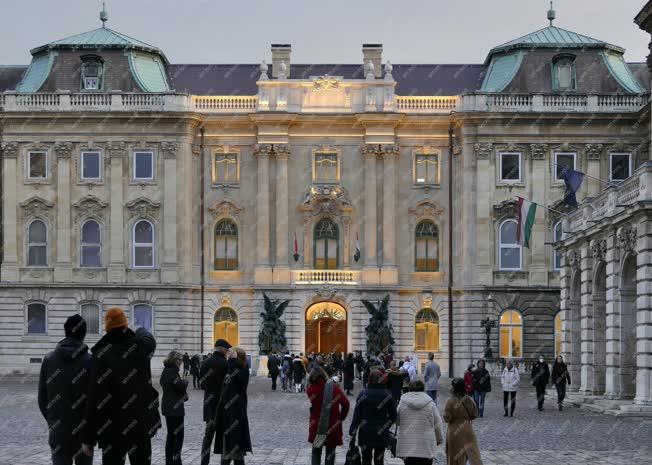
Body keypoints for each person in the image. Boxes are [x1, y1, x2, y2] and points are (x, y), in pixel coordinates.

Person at [82, 307, 160, 465]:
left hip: (112, 431)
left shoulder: (100, 356)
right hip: (140, 427)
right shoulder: (141, 347)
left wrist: (88, 439)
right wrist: (139, 329)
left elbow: (93, 399)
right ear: (125, 324)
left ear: (107, 327)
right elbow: (149, 339)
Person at [38, 314, 92, 465]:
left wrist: (53, 422)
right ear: (83, 333)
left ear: (66, 331)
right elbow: (95, 401)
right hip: (84, 435)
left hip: (58, 432)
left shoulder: (49, 360)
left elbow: (42, 399)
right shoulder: (91, 361)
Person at [213, 347, 252, 465]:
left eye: (232, 354)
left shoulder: (243, 370)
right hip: (226, 412)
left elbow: (239, 378)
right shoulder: (229, 369)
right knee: (227, 447)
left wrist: (233, 361)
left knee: (236, 446)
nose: (228, 355)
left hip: (237, 413)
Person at [349, 370, 397, 465]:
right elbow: (393, 415)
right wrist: (386, 425)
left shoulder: (363, 394)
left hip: (365, 432)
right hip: (381, 432)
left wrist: (352, 431)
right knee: (379, 460)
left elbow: (357, 416)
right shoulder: (387, 394)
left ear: (369, 379)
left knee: (366, 459)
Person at [307, 366, 350, 465]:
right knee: (330, 454)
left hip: (317, 425)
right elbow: (346, 404)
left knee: (316, 453)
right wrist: (341, 417)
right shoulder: (334, 388)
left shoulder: (311, 389)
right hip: (333, 425)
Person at [396, 380, 444, 465]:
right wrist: (439, 439)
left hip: (408, 448)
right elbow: (437, 423)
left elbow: (397, 421)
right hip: (426, 447)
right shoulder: (430, 403)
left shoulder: (402, 402)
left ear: (409, 388)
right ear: (423, 388)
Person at [199, 339, 231, 465]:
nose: (228, 351)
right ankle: (224, 462)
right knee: (224, 437)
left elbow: (202, 384)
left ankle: (204, 462)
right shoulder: (226, 364)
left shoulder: (205, 363)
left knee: (208, 437)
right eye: (226, 349)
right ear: (221, 348)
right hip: (223, 406)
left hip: (209, 405)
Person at [443, 378, 482, 465]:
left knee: (455, 456)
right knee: (474, 455)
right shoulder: (469, 399)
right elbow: (475, 414)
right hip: (468, 429)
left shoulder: (450, 401)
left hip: (454, 430)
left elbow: (447, 418)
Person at [160, 351, 189, 465]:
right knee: (177, 436)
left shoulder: (166, 371)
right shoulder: (172, 371)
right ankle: (176, 461)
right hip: (175, 410)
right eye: (180, 360)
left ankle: (170, 461)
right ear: (175, 361)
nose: (181, 363)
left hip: (169, 408)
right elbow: (180, 386)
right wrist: (185, 381)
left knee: (171, 435)